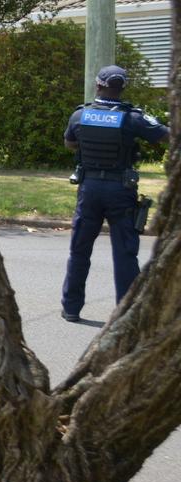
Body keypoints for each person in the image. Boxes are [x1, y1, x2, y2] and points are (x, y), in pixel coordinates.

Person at [60, 64, 169, 322]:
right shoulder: (133, 118)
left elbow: (69, 143)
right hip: (121, 190)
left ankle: (71, 309)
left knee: (79, 250)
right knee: (125, 253)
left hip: (89, 191)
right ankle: (126, 316)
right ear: (122, 88)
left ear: (98, 85)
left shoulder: (80, 115)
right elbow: (166, 135)